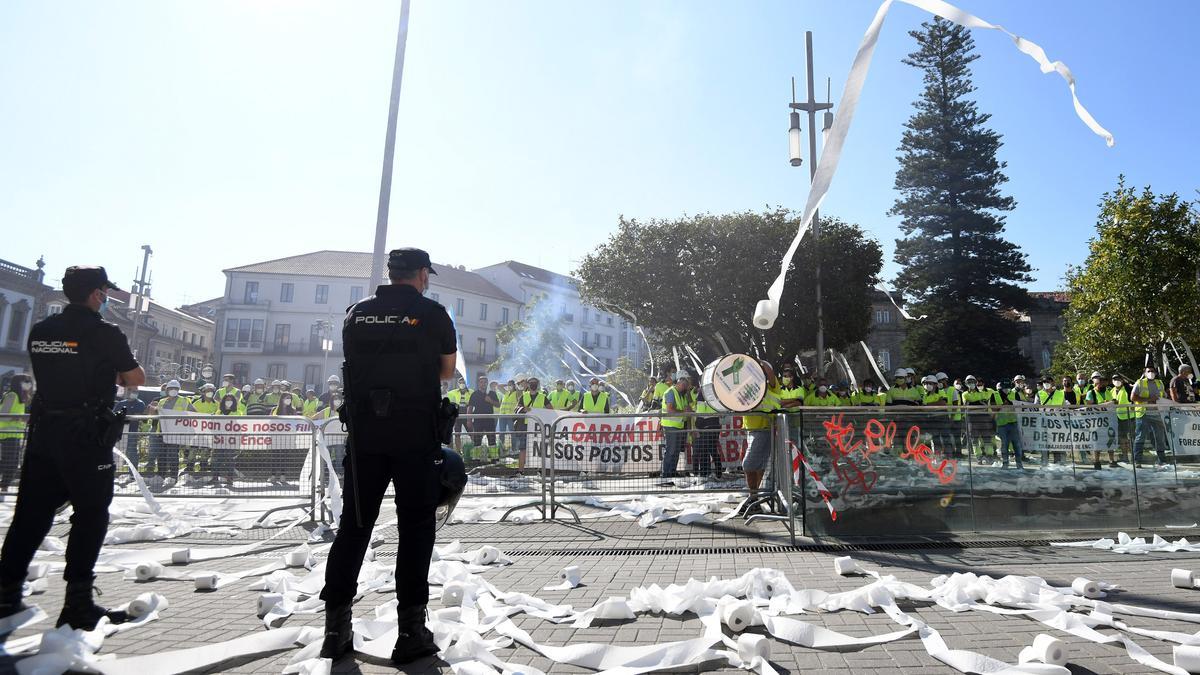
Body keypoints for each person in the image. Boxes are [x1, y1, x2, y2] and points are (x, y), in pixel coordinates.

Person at [320, 248, 457, 665]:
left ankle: (335, 629)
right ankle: (411, 632)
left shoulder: (354, 313)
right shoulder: (433, 314)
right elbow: (447, 371)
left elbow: (355, 363)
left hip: (365, 438)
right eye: (427, 274)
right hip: (414, 436)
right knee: (415, 531)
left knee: (353, 529)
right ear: (420, 274)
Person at [0, 266, 145, 629]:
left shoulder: (40, 330)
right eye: (105, 292)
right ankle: (77, 602)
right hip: (86, 438)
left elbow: (55, 370)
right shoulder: (104, 333)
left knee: (29, 517)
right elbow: (135, 378)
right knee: (90, 516)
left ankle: (6, 593)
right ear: (97, 294)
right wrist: (104, 370)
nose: (107, 298)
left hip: (45, 435)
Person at [739, 361, 782, 515]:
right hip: (752, 429)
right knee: (758, 465)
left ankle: (753, 498)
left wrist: (758, 362)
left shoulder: (770, 385)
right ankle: (754, 499)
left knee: (748, 464)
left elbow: (770, 372)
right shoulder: (749, 387)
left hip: (764, 429)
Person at [0, 374, 33, 496]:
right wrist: (19, 418)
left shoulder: (21, 399)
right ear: (19, 383)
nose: (28, 385)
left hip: (15, 435)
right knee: (10, 463)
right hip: (8, 434)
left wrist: (22, 420)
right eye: (26, 382)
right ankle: (4, 486)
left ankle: (4, 486)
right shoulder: (12, 396)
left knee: (12, 463)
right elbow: (3, 415)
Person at [1131, 365, 1169, 467]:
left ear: (1156, 373)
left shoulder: (1159, 383)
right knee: (1140, 437)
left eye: (1152, 371)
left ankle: (1162, 460)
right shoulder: (1139, 382)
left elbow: (1164, 396)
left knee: (1159, 438)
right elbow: (1133, 397)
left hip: (1157, 413)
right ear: (1144, 373)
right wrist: (1148, 399)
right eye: (1148, 371)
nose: (1151, 373)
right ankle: (1137, 461)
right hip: (1143, 413)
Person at [660, 373, 694, 478]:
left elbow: (685, 408)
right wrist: (683, 411)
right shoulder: (670, 392)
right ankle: (666, 474)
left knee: (676, 451)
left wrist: (687, 410)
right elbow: (670, 410)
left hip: (678, 426)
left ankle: (672, 472)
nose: (685, 388)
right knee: (671, 450)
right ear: (679, 384)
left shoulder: (681, 394)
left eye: (686, 386)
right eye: (684, 386)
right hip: (671, 426)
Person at [1084, 372, 1119, 469]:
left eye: (1105, 383)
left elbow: (1112, 402)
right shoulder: (1091, 393)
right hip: (1097, 421)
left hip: (1109, 420)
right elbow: (1089, 405)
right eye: (1102, 383)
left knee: (1110, 439)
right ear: (1097, 383)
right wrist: (1103, 404)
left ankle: (1111, 460)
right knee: (1097, 441)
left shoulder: (1108, 391)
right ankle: (1097, 461)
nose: (1104, 385)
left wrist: (1114, 402)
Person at [112, 385, 144, 483]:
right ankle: (113, 473)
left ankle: (132, 474)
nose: (134, 392)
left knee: (132, 452)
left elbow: (137, 416)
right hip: (119, 432)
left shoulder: (140, 403)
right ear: (127, 391)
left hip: (132, 432)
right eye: (131, 390)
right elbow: (114, 415)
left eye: (136, 391)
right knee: (115, 453)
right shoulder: (121, 403)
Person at [692, 387, 722, 478]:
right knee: (713, 449)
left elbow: (700, 411)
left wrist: (698, 424)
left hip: (706, 425)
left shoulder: (702, 394)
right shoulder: (715, 391)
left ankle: (704, 473)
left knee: (704, 450)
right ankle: (718, 471)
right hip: (716, 424)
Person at [466, 375, 497, 459]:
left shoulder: (492, 393)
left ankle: (494, 458)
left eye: (485, 382)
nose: (483, 384)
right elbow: (470, 407)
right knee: (477, 439)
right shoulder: (474, 394)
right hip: (478, 420)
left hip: (489, 420)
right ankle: (476, 458)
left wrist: (490, 401)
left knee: (492, 439)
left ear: (487, 383)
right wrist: (468, 420)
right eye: (481, 382)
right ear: (478, 383)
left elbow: (498, 405)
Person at [994, 381, 1023, 468]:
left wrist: (1009, 404)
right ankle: (1005, 463)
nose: (1006, 389)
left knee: (1016, 444)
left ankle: (1019, 463)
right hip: (1002, 423)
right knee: (1004, 444)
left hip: (1014, 422)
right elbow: (992, 407)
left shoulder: (1015, 394)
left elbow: (1019, 406)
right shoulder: (995, 394)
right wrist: (1002, 406)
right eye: (1004, 387)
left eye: (1008, 387)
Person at [1109, 374, 1134, 465]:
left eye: (1119, 379)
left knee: (1131, 438)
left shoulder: (1128, 388)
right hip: (1117, 418)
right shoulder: (1111, 391)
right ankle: (1125, 456)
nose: (1117, 381)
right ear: (1112, 381)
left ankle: (1134, 456)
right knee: (1122, 438)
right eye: (1115, 379)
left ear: (1122, 380)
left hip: (1129, 417)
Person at [447, 378, 473, 453]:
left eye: (463, 382)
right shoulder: (453, 392)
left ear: (466, 383)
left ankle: (475, 448)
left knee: (471, 432)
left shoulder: (471, 392)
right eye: (460, 383)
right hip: (457, 416)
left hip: (467, 415)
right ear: (458, 384)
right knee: (457, 433)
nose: (462, 384)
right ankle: (459, 451)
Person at [495, 379, 518, 455]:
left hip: (511, 416)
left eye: (511, 385)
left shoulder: (516, 393)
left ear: (514, 386)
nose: (509, 386)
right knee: (501, 433)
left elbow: (520, 391)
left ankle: (514, 450)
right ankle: (501, 450)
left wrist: (514, 385)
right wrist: (507, 385)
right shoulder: (506, 393)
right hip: (502, 415)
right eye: (508, 385)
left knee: (513, 433)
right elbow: (498, 386)